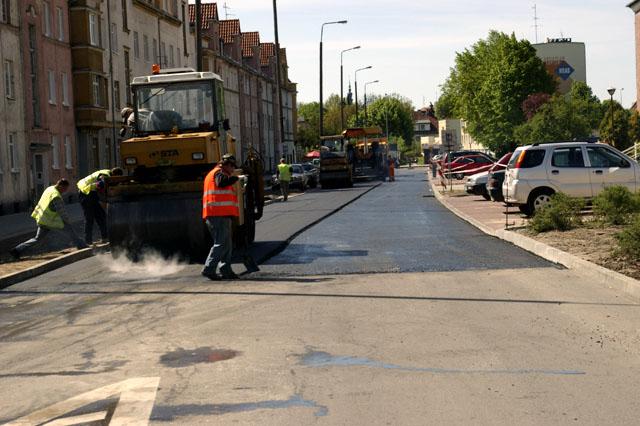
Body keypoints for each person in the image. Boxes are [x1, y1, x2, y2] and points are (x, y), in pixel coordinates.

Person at [10, 179, 88, 260]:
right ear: (61, 186)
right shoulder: (56, 196)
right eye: (65, 189)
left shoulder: (49, 189)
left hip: (42, 219)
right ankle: (82, 246)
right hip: (50, 222)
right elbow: (61, 212)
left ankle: (16, 250)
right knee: (70, 231)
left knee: (37, 239)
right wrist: (68, 221)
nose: (65, 191)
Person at [202, 154, 240, 280]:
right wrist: (235, 178)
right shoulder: (218, 173)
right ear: (227, 165)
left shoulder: (213, 173)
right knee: (220, 243)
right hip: (218, 215)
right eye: (232, 167)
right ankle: (209, 268)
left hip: (218, 214)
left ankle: (226, 270)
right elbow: (221, 183)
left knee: (226, 244)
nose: (233, 169)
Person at [77, 167, 123, 245]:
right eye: (117, 178)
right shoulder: (104, 176)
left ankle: (105, 238)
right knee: (89, 218)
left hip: (92, 193)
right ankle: (88, 241)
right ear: (115, 175)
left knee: (101, 216)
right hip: (86, 193)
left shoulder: (108, 173)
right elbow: (100, 186)